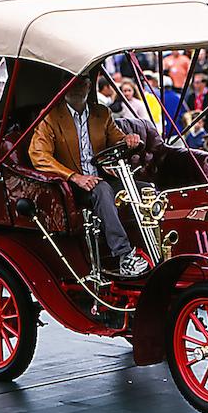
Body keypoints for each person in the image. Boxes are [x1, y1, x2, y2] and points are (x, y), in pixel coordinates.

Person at [28, 74, 148, 277]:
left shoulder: (101, 114)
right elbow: (38, 155)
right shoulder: (50, 117)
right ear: (63, 87)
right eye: (70, 83)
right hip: (70, 186)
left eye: (81, 83)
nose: (76, 88)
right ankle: (124, 256)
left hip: (101, 177)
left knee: (146, 190)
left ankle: (157, 247)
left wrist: (130, 139)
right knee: (102, 190)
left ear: (89, 86)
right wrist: (74, 176)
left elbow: (117, 140)